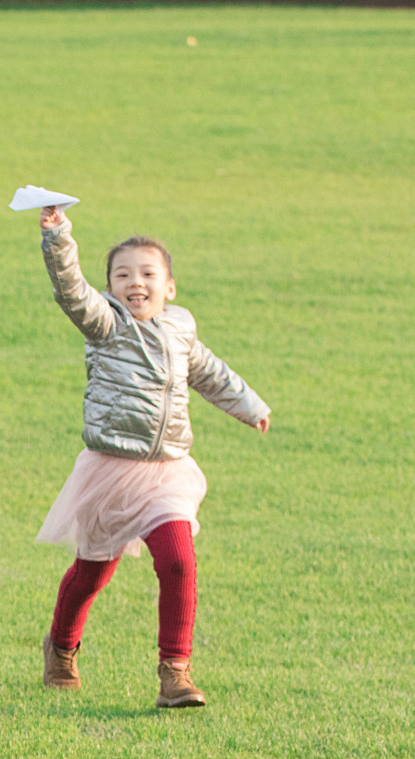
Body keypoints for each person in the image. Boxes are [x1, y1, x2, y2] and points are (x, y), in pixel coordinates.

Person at [33, 203, 272, 707]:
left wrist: (250, 406)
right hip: (110, 471)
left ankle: (175, 673)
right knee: (93, 572)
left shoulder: (181, 329)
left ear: (170, 287)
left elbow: (210, 372)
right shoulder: (106, 324)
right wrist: (58, 239)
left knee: (180, 562)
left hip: (168, 472)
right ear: (111, 287)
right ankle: (61, 647)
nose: (135, 283)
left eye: (147, 274)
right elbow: (72, 291)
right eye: (122, 275)